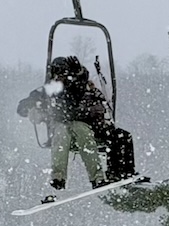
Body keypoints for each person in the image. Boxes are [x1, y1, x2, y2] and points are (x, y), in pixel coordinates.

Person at [17, 56, 113, 204]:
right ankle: (58, 177)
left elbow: (81, 91)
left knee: (83, 132)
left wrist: (80, 75)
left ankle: (97, 177)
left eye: (63, 74)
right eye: (58, 75)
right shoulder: (51, 89)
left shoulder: (80, 86)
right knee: (61, 132)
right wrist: (28, 105)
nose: (60, 78)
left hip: (81, 128)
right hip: (61, 128)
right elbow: (33, 98)